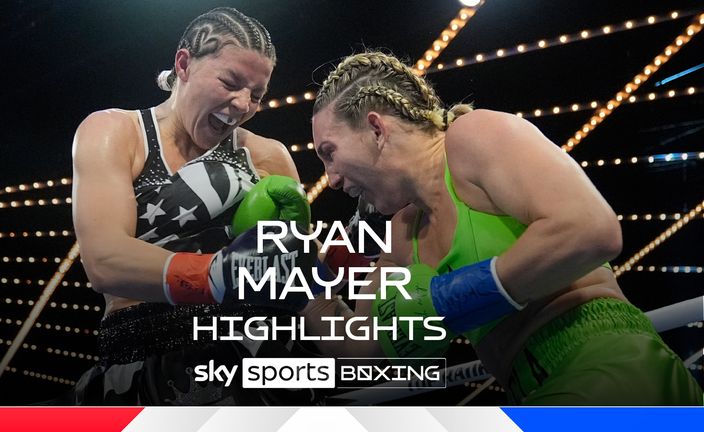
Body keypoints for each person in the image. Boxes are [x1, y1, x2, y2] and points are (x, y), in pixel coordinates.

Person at [303, 51, 703, 405]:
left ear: (376, 129)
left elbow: (591, 230)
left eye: (329, 153)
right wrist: (303, 284)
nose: (332, 179)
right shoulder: (403, 235)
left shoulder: (472, 137)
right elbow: (364, 350)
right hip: (532, 393)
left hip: (610, 366)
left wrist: (450, 299)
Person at [67, 7, 319, 405]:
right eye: (230, 82)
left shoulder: (268, 157)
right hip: (142, 357)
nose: (242, 104)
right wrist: (216, 274)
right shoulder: (116, 132)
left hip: (253, 354)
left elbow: (296, 284)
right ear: (183, 63)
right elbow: (104, 261)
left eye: (256, 94)